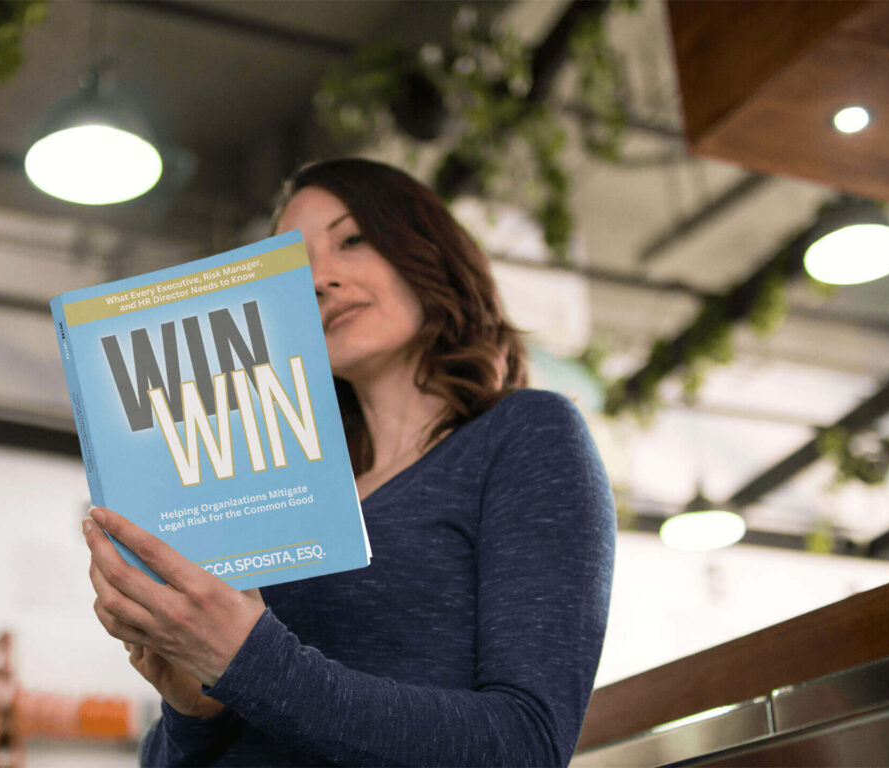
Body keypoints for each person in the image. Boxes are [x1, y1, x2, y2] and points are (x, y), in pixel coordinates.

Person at [81, 157, 616, 767]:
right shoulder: (281, 491)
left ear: (429, 252)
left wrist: (248, 661)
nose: (318, 279)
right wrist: (194, 711)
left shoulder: (525, 435)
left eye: (352, 240)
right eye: (292, 265)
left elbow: (527, 745)